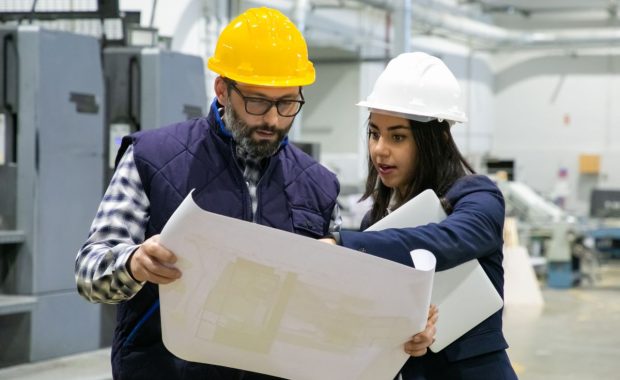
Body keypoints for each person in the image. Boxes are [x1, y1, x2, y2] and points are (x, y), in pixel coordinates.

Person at [75, 8, 435, 380]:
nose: (273, 120)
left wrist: (399, 330)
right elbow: (89, 273)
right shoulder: (152, 157)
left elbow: (333, 304)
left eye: (287, 103)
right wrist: (133, 263)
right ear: (222, 90)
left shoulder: (319, 184)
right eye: (258, 102)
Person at [320, 52, 518, 379]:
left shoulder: (478, 198)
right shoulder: (377, 223)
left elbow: (446, 240)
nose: (380, 149)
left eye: (397, 136)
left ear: (436, 140)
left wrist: (346, 246)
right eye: (374, 133)